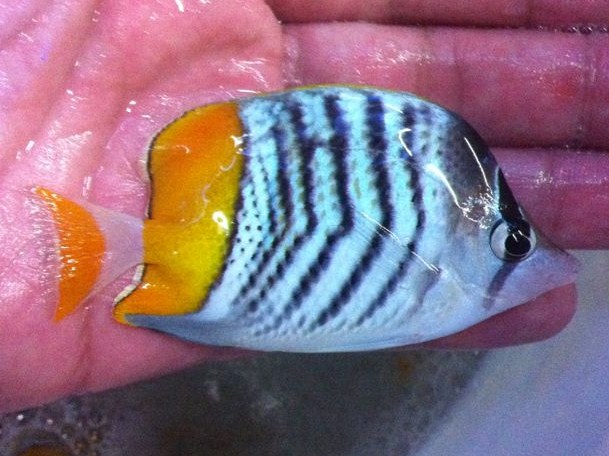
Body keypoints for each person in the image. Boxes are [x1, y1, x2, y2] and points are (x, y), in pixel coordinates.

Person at [1, 0, 605, 414]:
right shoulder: (449, 284)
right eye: (513, 243)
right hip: (230, 275)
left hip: (228, 277)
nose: (533, 260)